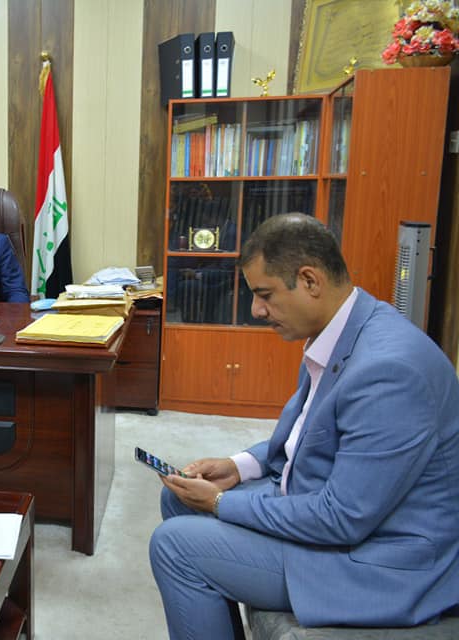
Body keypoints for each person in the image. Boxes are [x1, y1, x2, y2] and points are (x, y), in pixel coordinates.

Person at [149, 213, 459, 639]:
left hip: (380, 562)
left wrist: (220, 503)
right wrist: (240, 466)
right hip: (337, 515)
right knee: (179, 500)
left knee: (174, 547)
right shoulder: (342, 330)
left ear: (310, 281)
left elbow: (342, 517)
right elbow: (311, 435)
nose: (256, 310)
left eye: (265, 295)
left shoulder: (389, 372)